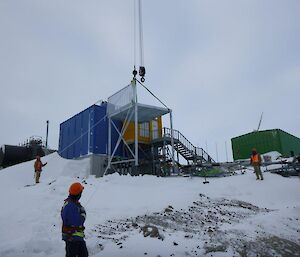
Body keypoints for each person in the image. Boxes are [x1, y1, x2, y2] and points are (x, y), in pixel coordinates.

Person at [61, 182, 88, 257]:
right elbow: (77, 222)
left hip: (76, 237)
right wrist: (83, 213)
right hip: (72, 238)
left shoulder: (72, 203)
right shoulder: (71, 206)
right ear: (78, 194)